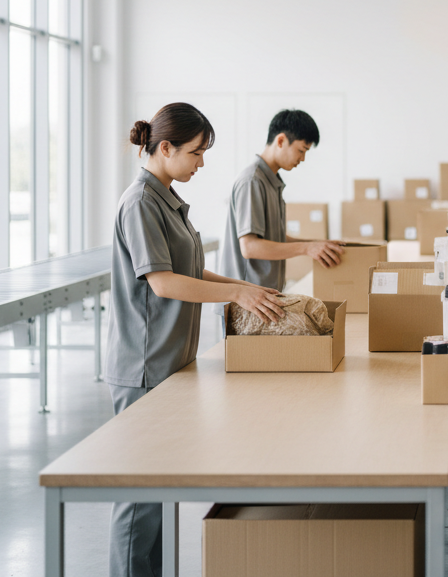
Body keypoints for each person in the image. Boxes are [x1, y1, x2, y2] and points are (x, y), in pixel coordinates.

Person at [105, 103, 286, 577]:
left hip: (170, 364)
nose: (200, 163)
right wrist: (235, 294)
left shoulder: (165, 196)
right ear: (164, 148)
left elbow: (187, 268)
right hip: (144, 367)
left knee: (159, 493)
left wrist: (243, 288)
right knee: (140, 502)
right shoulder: (141, 202)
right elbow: (163, 283)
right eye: (196, 153)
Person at [216, 109, 344, 294]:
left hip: (263, 296)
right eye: (301, 150)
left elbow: (274, 239)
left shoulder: (271, 181)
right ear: (281, 140)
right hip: (244, 301)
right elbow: (250, 247)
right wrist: (307, 248)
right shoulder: (252, 181)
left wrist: (317, 244)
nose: (303, 158)